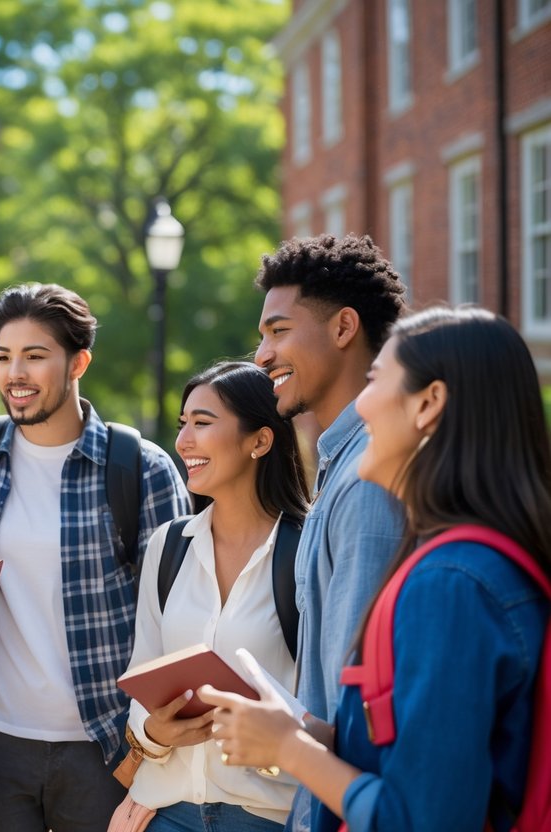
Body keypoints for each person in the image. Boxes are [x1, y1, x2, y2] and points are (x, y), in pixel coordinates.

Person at [203, 306, 551, 831]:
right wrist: (303, 732)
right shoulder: (470, 563)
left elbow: (421, 819)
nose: (360, 405)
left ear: (429, 404)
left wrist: (289, 749)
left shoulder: (451, 585)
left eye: (374, 381)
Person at [0, 283, 188, 832]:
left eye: (35, 355)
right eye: (5, 356)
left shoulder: (141, 469)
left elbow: (177, 618)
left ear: (79, 362)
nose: (15, 374)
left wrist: (155, 760)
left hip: (106, 745)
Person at [107, 362, 309, 832]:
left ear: (259, 440)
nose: (184, 442)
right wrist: (154, 733)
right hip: (165, 813)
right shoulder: (169, 546)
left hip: (265, 817)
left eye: (202, 423)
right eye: (183, 425)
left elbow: (321, 699)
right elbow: (143, 676)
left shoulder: (305, 551)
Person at [251, 235, 407, 830]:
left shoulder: (369, 476)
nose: (261, 354)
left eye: (278, 331)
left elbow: (356, 703)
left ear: (344, 327)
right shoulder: (342, 461)